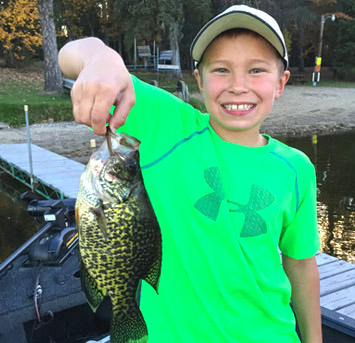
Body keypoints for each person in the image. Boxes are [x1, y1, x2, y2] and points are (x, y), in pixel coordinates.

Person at [59, 4, 322, 343]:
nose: (238, 86)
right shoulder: (167, 127)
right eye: (221, 70)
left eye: (256, 70)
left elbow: (300, 264)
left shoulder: (297, 168)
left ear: (281, 82)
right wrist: (98, 56)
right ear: (199, 79)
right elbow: (71, 55)